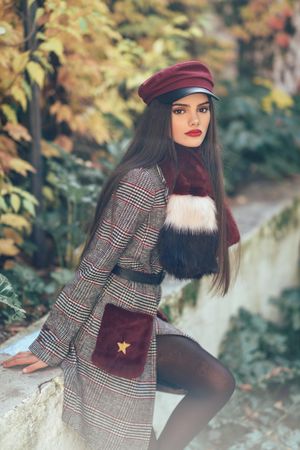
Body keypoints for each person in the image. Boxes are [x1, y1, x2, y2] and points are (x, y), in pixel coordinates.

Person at [1, 60, 241, 450]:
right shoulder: (142, 181)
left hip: (140, 313)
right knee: (202, 390)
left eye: (202, 108)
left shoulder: (188, 176)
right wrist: (52, 342)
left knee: (211, 386)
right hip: (107, 319)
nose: (194, 120)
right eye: (181, 110)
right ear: (161, 116)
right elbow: (94, 267)